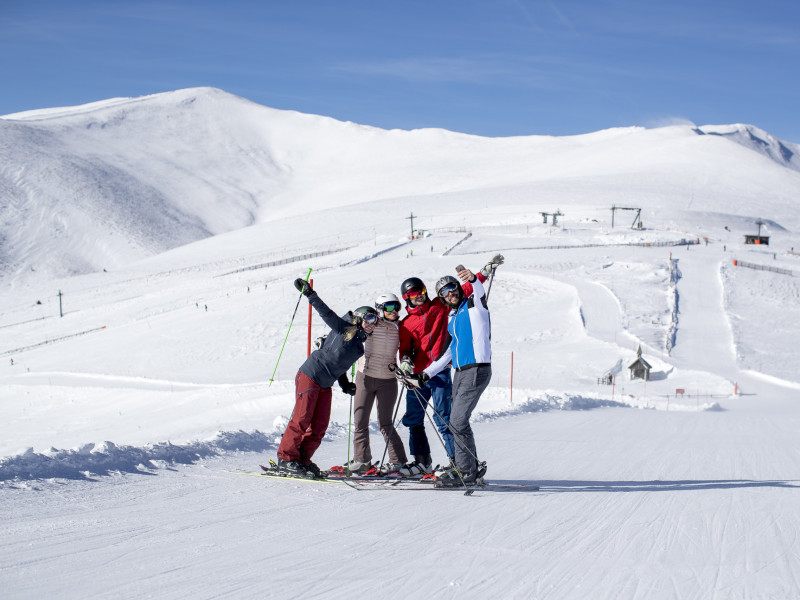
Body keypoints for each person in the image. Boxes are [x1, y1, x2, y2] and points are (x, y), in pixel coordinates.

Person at [396, 254, 502, 476]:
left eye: (422, 292)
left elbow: (472, 289)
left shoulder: (455, 306)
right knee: (419, 419)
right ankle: (428, 461)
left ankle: (461, 464)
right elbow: (416, 350)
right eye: (414, 294)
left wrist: (479, 274)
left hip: (456, 371)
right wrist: (412, 367)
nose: (420, 297)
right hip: (433, 372)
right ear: (407, 297)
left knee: (448, 419)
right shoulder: (411, 323)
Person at [276, 278, 377, 478]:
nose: (372, 324)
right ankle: (286, 459)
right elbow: (327, 314)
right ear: (358, 318)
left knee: (320, 426)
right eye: (368, 318)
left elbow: (340, 364)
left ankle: (301, 459)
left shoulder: (358, 346)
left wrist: (345, 383)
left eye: (375, 320)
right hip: (311, 374)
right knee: (302, 419)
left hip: (326, 382)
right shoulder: (348, 330)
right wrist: (310, 294)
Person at [346, 293, 408, 474]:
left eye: (396, 306)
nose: (394, 310)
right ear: (380, 308)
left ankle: (398, 461)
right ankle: (362, 460)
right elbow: (347, 331)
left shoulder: (401, 327)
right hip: (365, 377)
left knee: (385, 422)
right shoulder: (370, 324)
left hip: (388, 380)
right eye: (389, 307)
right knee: (360, 421)